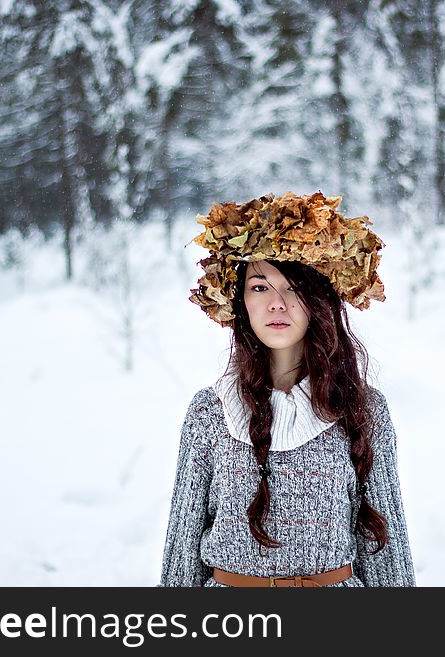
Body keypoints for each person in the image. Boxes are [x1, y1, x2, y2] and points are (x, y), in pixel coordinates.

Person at [159, 191, 415, 587]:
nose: (276, 304)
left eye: (293, 288)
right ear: (240, 299)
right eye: (260, 287)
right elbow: (182, 549)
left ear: (319, 300)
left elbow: (387, 553)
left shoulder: (362, 408)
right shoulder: (209, 412)